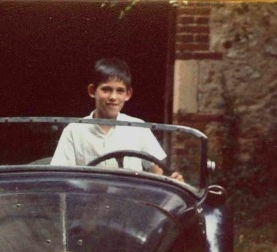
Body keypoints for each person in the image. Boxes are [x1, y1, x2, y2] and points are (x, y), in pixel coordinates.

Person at [51, 57, 183, 181]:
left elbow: (158, 172)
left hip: (130, 196)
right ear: (92, 91)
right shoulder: (74, 131)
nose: (113, 97)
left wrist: (172, 181)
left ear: (128, 94)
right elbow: (60, 178)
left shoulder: (138, 128)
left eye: (120, 91)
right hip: (87, 196)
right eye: (106, 90)